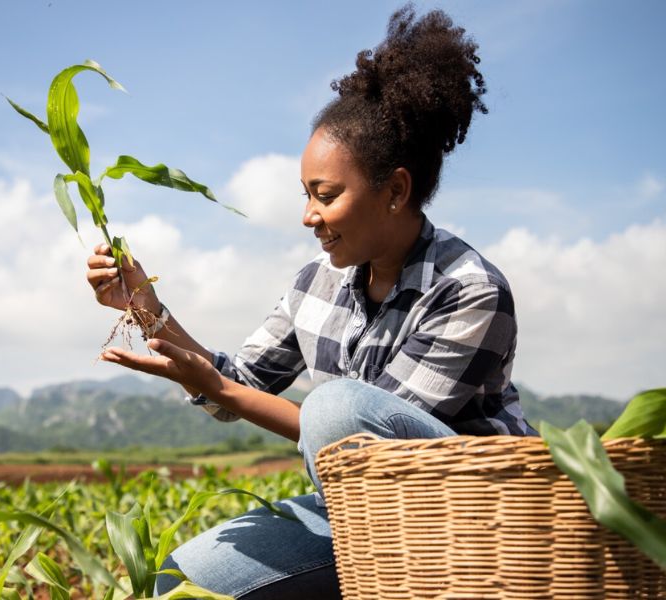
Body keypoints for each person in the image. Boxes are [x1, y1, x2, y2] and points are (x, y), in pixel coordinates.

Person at [87, 5, 537, 598]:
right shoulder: (313, 284)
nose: (308, 217)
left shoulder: (468, 289)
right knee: (177, 579)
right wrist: (144, 305)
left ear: (395, 190)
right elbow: (239, 384)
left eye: (325, 195)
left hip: (473, 522)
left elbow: (361, 449)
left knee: (336, 408)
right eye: (306, 195)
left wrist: (222, 389)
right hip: (358, 519)